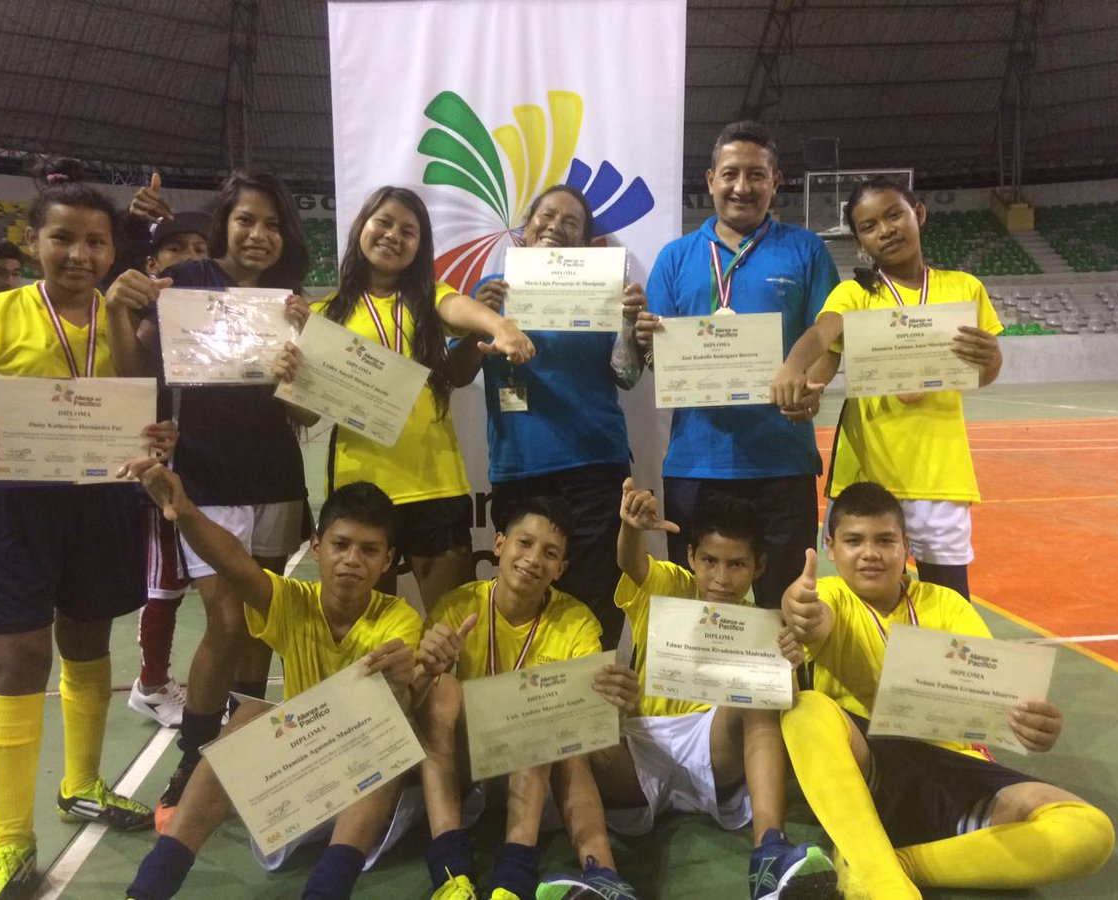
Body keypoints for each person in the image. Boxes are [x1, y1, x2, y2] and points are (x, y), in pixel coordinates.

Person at [0, 181, 177, 899]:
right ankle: (11, 840)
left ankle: (83, 783)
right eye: (62, 238)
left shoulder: (129, 321)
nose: (78, 254)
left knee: (87, 643)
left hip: (103, 503)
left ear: (113, 249)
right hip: (15, 509)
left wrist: (158, 435)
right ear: (33, 242)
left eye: (95, 241)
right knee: (19, 660)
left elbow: (146, 403)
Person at [779, 482, 1114, 898]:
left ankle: (888, 862)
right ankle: (887, 888)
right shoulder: (832, 596)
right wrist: (800, 608)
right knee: (807, 709)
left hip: (953, 766)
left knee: (1088, 830)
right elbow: (814, 617)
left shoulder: (947, 604)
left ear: (906, 546)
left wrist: (1030, 723)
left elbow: (997, 692)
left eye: (885, 540)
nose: (870, 553)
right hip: (868, 768)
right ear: (830, 548)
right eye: (854, 541)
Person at [105, 170, 313, 828]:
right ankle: (194, 759)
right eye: (247, 219)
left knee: (262, 621)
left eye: (272, 224)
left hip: (277, 478)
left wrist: (303, 364)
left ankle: (244, 753)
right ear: (225, 223)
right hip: (207, 479)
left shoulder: (290, 300)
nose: (259, 234)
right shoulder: (186, 281)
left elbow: (305, 415)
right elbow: (136, 375)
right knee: (226, 623)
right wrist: (119, 311)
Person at [119, 458, 422, 900]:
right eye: (340, 544)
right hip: (301, 784)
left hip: (373, 799)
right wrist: (183, 509)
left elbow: (404, 701)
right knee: (247, 718)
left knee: (382, 739)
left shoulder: (399, 619)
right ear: (316, 547)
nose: (352, 560)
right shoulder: (294, 602)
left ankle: (326, 892)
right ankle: (149, 889)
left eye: (369, 550)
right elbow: (234, 562)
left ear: (388, 560)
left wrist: (403, 679)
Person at [584, 479, 837, 900]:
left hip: (713, 745)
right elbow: (631, 561)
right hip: (643, 744)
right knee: (579, 722)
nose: (721, 578)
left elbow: (785, 711)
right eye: (709, 561)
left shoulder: (766, 626)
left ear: (758, 566)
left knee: (762, 695)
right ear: (691, 557)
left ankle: (769, 851)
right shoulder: (668, 586)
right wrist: (630, 527)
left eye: (736, 564)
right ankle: (599, 873)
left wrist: (787, 668)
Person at [301, 186, 534, 612]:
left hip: (434, 483)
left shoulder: (429, 296)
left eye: (408, 231)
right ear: (361, 228)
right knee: (366, 631)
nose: (394, 235)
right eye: (384, 223)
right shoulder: (324, 315)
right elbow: (303, 413)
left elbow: (459, 307)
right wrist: (292, 372)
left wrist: (499, 325)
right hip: (359, 487)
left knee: (451, 627)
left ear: (420, 246)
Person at [638, 120, 840, 608]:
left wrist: (810, 386)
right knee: (696, 611)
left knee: (783, 607)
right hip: (696, 464)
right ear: (711, 180)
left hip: (781, 462)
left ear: (776, 181)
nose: (742, 187)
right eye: (730, 174)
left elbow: (832, 335)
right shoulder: (675, 257)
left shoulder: (806, 249)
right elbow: (657, 359)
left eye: (756, 175)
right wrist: (648, 342)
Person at [771, 177, 1003, 600]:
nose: (886, 230)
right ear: (860, 241)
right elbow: (823, 334)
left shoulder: (964, 289)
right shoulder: (854, 293)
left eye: (894, 215)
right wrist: (793, 367)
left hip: (940, 474)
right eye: (869, 226)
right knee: (868, 605)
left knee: (946, 601)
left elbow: (984, 373)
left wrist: (990, 361)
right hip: (866, 475)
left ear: (919, 213)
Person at [413, 496, 641, 900]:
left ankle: (602, 876)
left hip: (539, 770)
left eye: (550, 553)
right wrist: (427, 670)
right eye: (524, 543)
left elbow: (588, 715)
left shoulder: (576, 621)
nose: (534, 559)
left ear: (560, 569)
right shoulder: (458, 606)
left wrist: (617, 704)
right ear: (499, 544)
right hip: (469, 766)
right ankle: (451, 871)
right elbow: (416, 703)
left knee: (556, 724)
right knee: (440, 690)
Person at [449, 185, 645, 649]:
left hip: (594, 467)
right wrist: (482, 321)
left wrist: (627, 324)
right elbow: (456, 375)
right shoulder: (491, 291)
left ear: (584, 242)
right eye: (547, 215)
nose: (556, 225)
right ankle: (523, 693)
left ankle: (591, 690)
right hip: (521, 469)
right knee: (523, 596)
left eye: (571, 221)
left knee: (595, 593)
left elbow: (628, 376)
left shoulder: (604, 292)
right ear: (525, 229)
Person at [126, 208, 213, 728]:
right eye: (177, 248)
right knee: (165, 583)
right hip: (161, 469)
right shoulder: (146, 323)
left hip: (204, 465)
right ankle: (151, 685)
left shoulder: (216, 318)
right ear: (153, 262)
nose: (190, 258)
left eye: (201, 249)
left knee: (189, 578)